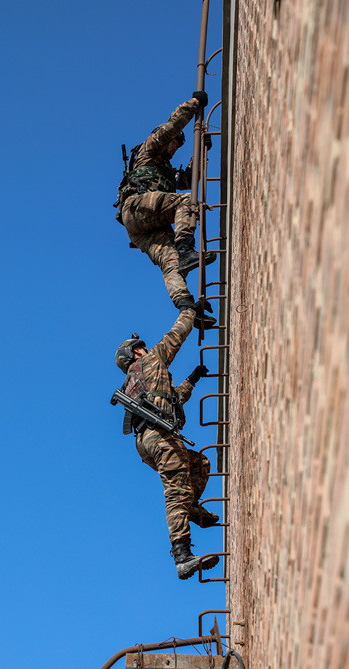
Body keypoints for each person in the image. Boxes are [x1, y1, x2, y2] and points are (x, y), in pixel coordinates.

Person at [114, 304, 220, 580]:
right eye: (142, 346)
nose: (146, 348)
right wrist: (189, 312)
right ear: (136, 351)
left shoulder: (139, 381)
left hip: (150, 441)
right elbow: (176, 336)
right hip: (158, 437)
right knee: (176, 490)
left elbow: (172, 399)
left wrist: (193, 380)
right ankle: (182, 556)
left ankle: (191, 508)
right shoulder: (149, 363)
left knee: (199, 463)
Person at [115, 92, 215, 326]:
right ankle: (185, 247)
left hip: (144, 228)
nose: (174, 148)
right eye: (174, 143)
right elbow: (173, 125)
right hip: (136, 207)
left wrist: (202, 153)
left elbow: (190, 179)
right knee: (185, 201)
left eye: (178, 145)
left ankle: (188, 309)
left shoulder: (167, 171)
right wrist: (194, 104)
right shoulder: (148, 152)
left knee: (171, 262)